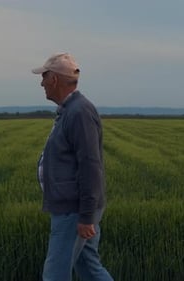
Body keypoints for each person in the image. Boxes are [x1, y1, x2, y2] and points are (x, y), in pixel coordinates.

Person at [32, 53, 113, 281]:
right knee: (89, 269)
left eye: (44, 77)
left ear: (55, 80)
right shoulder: (71, 110)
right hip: (74, 208)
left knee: (54, 275)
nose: (41, 83)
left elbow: (91, 166)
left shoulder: (79, 112)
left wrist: (86, 216)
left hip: (74, 210)